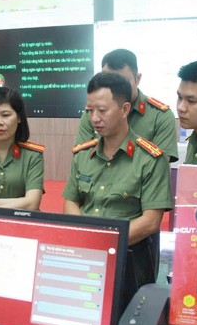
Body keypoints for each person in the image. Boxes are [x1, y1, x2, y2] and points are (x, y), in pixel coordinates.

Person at [63, 72, 173, 310]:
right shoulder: (82, 155)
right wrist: (84, 238)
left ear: (124, 109)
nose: (94, 118)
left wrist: (105, 242)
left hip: (129, 259)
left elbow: (151, 221)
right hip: (85, 255)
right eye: (89, 110)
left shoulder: (150, 159)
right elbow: (70, 201)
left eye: (102, 110)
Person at [75, 49, 179, 162]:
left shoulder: (160, 116)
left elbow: (159, 166)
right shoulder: (92, 114)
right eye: (107, 81)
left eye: (121, 82)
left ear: (137, 79)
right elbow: (82, 160)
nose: (113, 89)